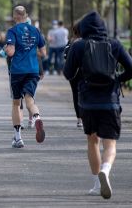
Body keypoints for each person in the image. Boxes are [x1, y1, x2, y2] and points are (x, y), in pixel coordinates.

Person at [63, 11, 132, 199]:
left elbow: (68, 73)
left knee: (93, 141)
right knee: (110, 144)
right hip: (110, 101)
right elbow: (131, 68)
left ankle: (96, 183)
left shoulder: (79, 46)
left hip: (87, 102)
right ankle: (106, 170)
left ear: (84, 28)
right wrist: (117, 79)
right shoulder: (115, 45)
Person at [5, 6, 46, 148]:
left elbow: (10, 52)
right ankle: (36, 117)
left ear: (15, 16)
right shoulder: (35, 30)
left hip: (17, 71)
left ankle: (18, 138)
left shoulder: (12, 31)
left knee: (17, 103)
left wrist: (7, 49)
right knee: (30, 100)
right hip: (33, 70)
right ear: (26, 15)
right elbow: (43, 52)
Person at [63, 21, 83, 128]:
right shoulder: (87, 41)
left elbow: (65, 55)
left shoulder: (71, 42)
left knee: (75, 94)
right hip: (86, 72)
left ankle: (79, 119)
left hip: (73, 73)